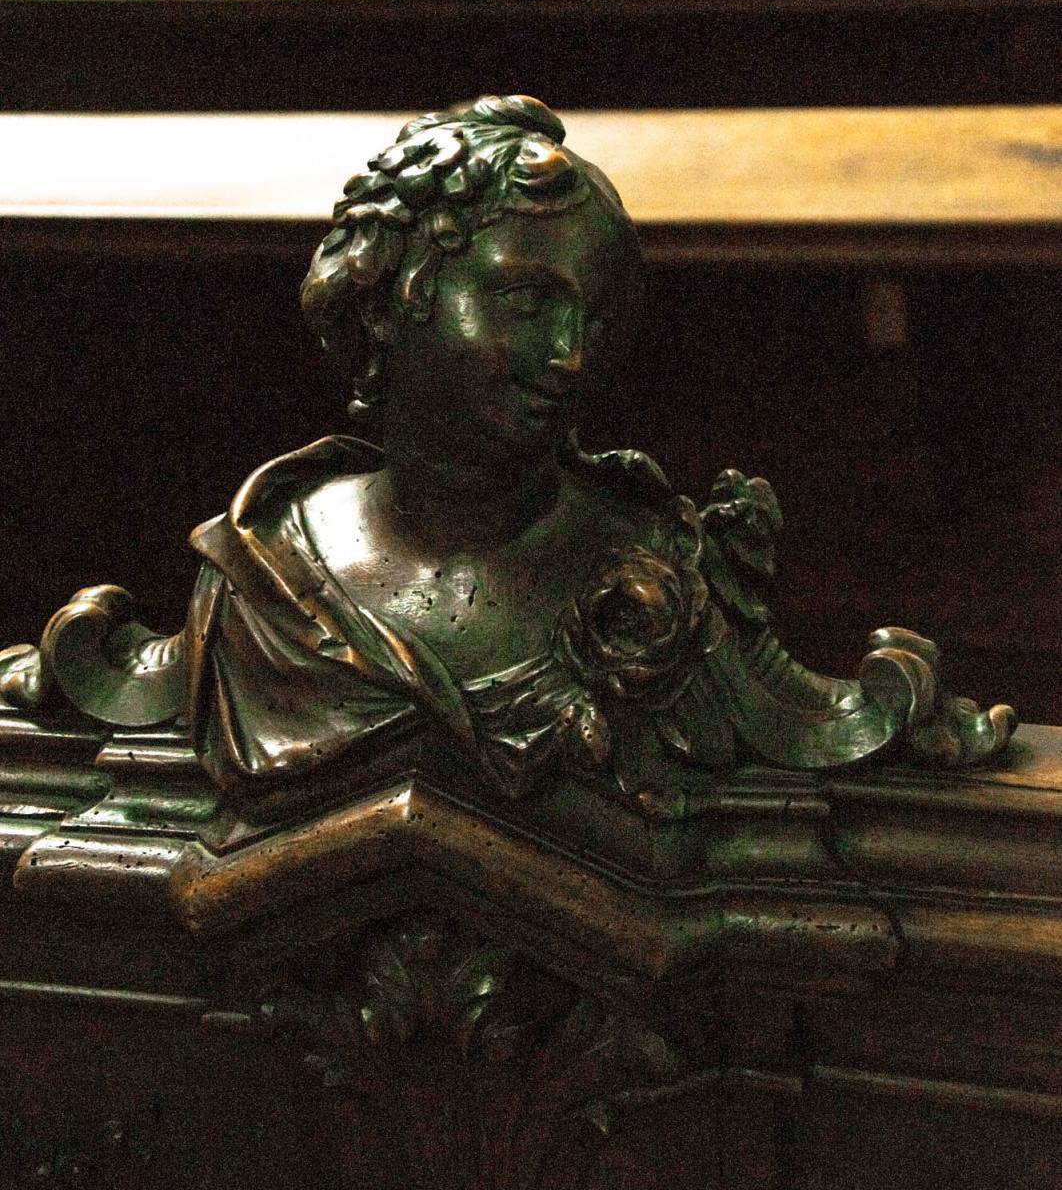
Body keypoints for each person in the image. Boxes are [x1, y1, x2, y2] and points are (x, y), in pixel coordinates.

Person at [0, 97, 1014, 806]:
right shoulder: (263, 585)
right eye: (527, 301)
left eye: (596, 317)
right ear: (389, 298)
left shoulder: (650, 583)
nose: (571, 357)